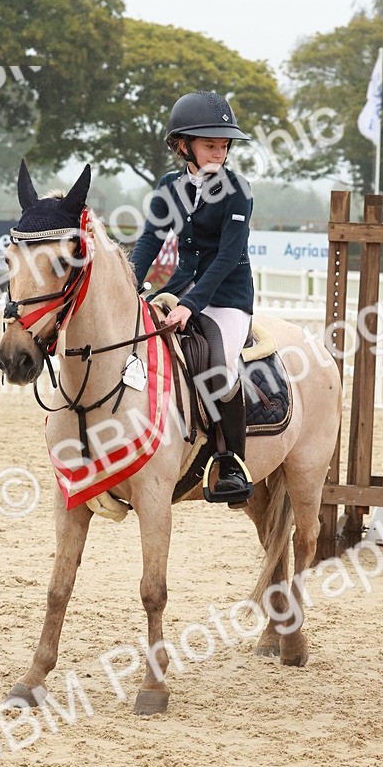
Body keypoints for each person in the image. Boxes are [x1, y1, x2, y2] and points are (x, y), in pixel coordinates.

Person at [130, 90, 254, 504]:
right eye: (209, 146)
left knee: (221, 366)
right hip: (182, 286)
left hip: (228, 296)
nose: (219, 154)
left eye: (223, 146)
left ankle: (231, 462)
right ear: (184, 145)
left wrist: (190, 305)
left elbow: (227, 255)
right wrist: (131, 284)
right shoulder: (171, 185)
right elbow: (150, 239)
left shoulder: (238, 190)